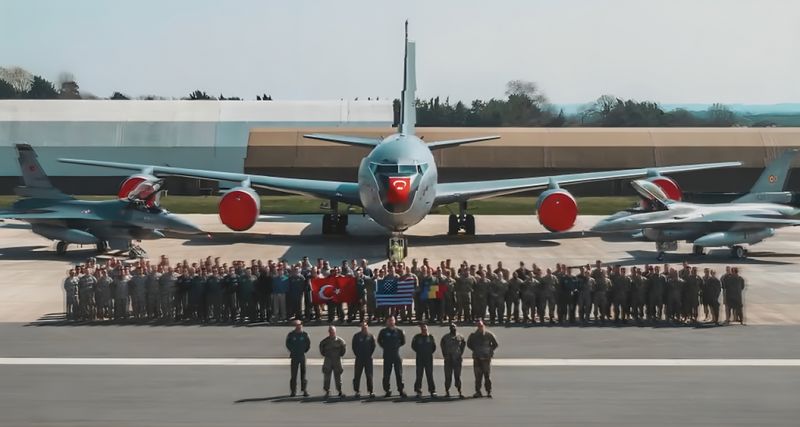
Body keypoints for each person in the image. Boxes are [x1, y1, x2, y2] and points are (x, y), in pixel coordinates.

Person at [467, 320, 498, 398]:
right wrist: (475, 350)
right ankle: (478, 391)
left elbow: (495, 344)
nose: (480, 328)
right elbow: (469, 344)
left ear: (483, 325)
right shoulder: (473, 335)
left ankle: (488, 391)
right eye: (478, 326)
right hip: (477, 358)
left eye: (481, 326)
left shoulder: (489, 335)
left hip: (486, 359)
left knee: (487, 376)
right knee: (478, 376)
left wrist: (490, 351)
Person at [377, 316, 407, 398]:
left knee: (399, 373)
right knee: (386, 374)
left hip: (396, 355)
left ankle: (401, 390)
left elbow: (403, 341)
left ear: (395, 321)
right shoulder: (383, 331)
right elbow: (379, 341)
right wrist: (385, 346)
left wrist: (396, 346)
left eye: (392, 320)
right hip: (387, 355)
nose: (391, 322)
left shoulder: (399, 331)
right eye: (389, 320)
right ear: (387, 322)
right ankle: (387, 390)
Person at [319, 325, 347, 398]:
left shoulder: (340, 341)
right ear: (329, 332)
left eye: (333, 332)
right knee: (327, 376)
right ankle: (327, 391)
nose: (332, 333)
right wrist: (325, 355)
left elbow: (343, 350)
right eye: (331, 332)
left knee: (338, 376)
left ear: (335, 332)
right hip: (328, 360)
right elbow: (321, 348)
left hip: (337, 360)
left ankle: (340, 391)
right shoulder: (325, 341)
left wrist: (340, 355)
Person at [411, 323, 437, 398]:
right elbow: (413, 346)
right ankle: (418, 390)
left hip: (428, 358)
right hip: (420, 358)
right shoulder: (417, 337)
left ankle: (432, 390)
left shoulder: (431, 337)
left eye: (425, 329)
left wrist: (429, 353)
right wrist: (419, 351)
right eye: (422, 329)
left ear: (427, 329)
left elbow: (434, 347)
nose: (424, 330)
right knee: (419, 375)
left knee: (429, 375)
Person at [285, 320, 311, 397]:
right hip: (294, 356)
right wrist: (292, 350)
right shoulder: (291, 334)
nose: (298, 326)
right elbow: (287, 344)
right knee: (294, 374)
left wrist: (304, 350)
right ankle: (293, 391)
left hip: (302, 356)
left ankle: (304, 390)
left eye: (299, 325)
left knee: (303, 374)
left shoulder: (305, 334)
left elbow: (308, 344)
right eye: (296, 325)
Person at [440, 323, 466, 398]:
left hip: (457, 359)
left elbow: (463, 345)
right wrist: (445, 355)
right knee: (448, 376)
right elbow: (442, 346)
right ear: (449, 329)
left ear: (456, 328)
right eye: (451, 327)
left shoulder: (460, 337)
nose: (453, 328)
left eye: (454, 327)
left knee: (457, 376)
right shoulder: (445, 337)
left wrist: (460, 354)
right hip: (448, 360)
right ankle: (447, 391)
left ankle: (459, 391)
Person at [351, 322, 376, 398]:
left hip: (368, 358)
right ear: (361, 327)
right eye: (362, 326)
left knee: (369, 375)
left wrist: (369, 354)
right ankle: (357, 391)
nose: (364, 328)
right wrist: (357, 354)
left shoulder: (371, 336)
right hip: (359, 358)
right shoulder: (356, 336)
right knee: (357, 375)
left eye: (365, 326)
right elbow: (354, 346)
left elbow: (373, 346)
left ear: (367, 327)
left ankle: (370, 391)